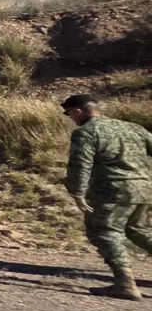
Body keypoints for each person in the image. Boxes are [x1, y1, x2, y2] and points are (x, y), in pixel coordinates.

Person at [62, 94, 152, 300]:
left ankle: (125, 284)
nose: (71, 119)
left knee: (105, 232)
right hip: (144, 189)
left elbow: (81, 164)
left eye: (69, 114)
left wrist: (77, 192)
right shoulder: (133, 128)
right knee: (139, 230)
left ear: (77, 111)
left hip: (110, 191)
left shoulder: (85, 133)